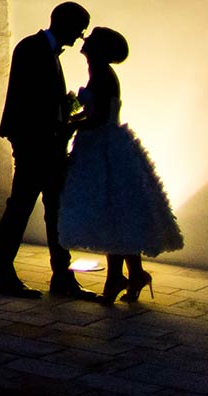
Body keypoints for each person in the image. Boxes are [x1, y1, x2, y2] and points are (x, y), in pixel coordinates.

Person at [58, 26, 183, 303]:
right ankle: (131, 275)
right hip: (103, 146)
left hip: (103, 148)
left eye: (90, 38)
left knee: (112, 211)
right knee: (113, 213)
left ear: (98, 48)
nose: (84, 39)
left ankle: (118, 278)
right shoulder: (99, 73)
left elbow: (100, 117)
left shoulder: (102, 75)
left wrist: (69, 124)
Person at [0, 1, 97, 299]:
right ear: (64, 24)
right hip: (36, 145)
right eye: (79, 29)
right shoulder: (34, 50)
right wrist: (62, 125)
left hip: (46, 144)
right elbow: (29, 104)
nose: (79, 37)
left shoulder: (39, 50)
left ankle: (60, 275)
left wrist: (64, 111)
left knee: (53, 211)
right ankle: (4, 273)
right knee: (22, 208)